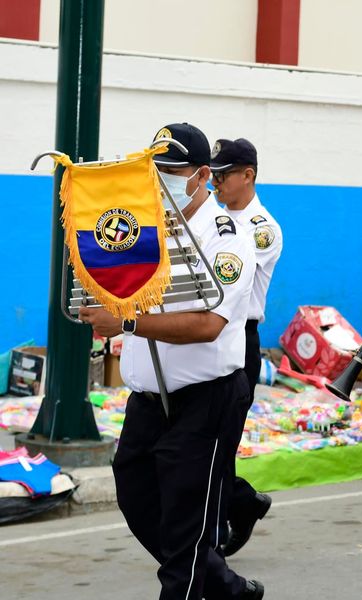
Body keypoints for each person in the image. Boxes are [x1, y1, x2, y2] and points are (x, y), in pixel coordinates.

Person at [78, 123, 264, 599]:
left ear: (202, 176)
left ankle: (203, 583)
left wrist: (126, 322)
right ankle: (226, 587)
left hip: (204, 399)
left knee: (186, 530)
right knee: (137, 499)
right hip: (147, 400)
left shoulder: (227, 238)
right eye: (154, 171)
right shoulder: (145, 230)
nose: (160, 183)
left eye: (172, 173)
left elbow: (208, 325)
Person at [209, 137, 282, 557]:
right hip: (209, 335)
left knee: (221, 438)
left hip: (239, 336)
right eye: (213, 175)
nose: (215, 182)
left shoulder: (261, 229)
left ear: (248, 175)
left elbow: (223, 278)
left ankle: (216, 531)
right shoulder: (214, 217)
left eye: (223, 175)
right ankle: (240, 503)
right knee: (207, 438)